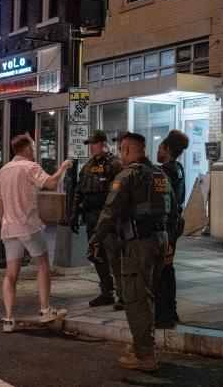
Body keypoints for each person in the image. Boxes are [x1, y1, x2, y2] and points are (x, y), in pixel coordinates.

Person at [89, 132, 171, 372]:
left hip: (138, 243)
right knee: (146, 295)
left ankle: (145, 355)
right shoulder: (160, 174)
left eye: (120, 150)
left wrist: (94, 241)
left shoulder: (128, 175)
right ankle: (140, 345)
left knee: (136, 298)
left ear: (125, 149)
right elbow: (174, 209)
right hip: (160, 239)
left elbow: (109, 211)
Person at [0, 133, 73, 333]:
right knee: (43, 265)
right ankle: (45, 309)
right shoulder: (30, 167)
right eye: (33, 146)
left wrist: (4, 223)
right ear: (28, 148)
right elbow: (51, 184)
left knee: (11, 274)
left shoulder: (3, 171)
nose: (35, 150)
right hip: (29, 225)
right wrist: (63, 167)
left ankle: (8, 319)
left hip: (9, 228)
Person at [70, 130, 124, 309]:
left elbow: (120, 192)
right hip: (92, 217)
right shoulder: (88, 166)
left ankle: (123, 295)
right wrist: (74, 213)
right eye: (90, 144)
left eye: (95, 143)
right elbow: (79, 191)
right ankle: (106, 292)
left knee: (114, 256)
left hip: (108, 219)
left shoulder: (115, 164)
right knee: (97, 256)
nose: (92, 147)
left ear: (104, 144)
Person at [154, 129, 189, 329]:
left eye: (160, 148)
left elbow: (164, 202)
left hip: (167, 225)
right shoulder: (179, 168)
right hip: (175, 223)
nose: (157, 151)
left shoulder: (164, 171)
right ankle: (171, 311)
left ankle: (164, 314)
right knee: (168, 268)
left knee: (162, 271)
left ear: (167, 149)